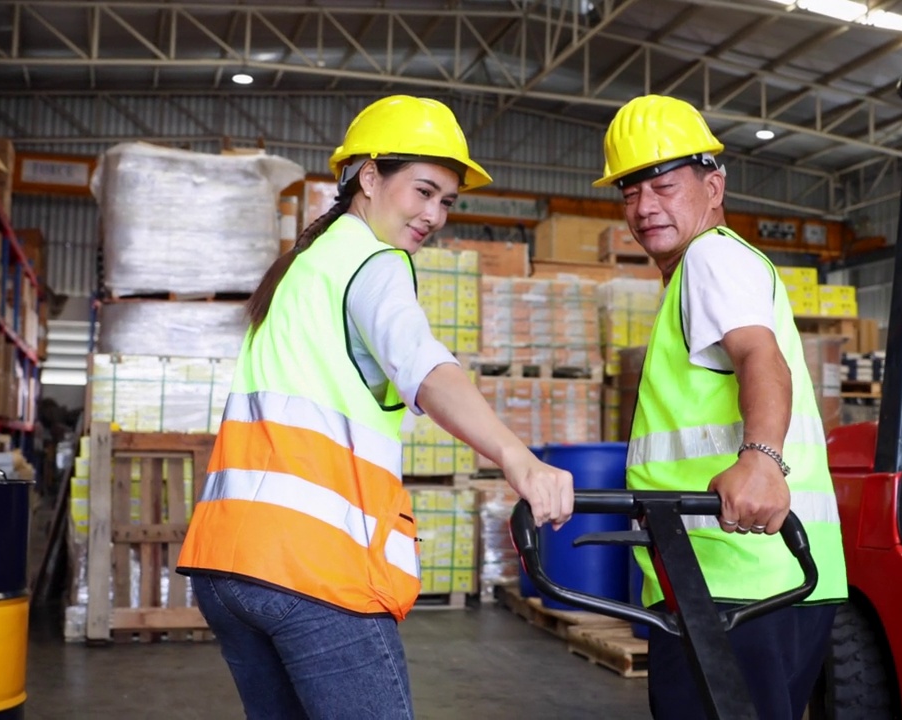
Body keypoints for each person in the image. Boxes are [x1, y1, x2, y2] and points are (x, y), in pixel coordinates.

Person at [176, 95, 574, 720]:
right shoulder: (375, 261)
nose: (434, 214)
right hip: (311, 568)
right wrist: (518, 459)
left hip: (227, 567)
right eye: (422, 191)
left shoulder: (306, 268)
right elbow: (426, 367)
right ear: (368, 177)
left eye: (446, 200)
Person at [594, 94, 849, 720]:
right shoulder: (706, 269)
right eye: (630, 192)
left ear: (714, 184)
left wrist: (761, 460)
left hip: (736, 581)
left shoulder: (711, 258)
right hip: (749, 576)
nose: (645, 206)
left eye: (663, 185)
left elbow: (760, 356)